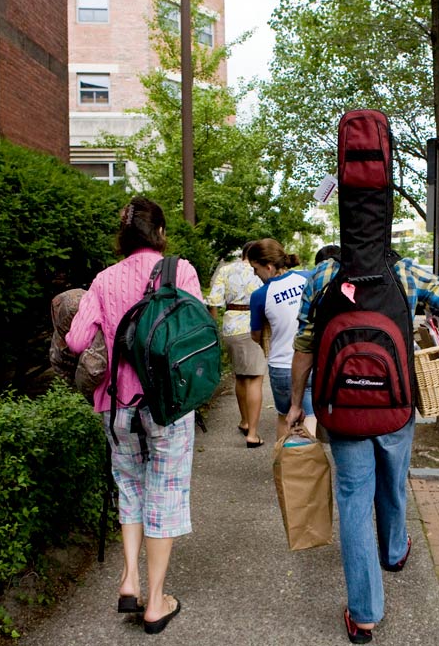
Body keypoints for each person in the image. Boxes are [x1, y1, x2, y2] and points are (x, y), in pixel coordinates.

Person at [286, 259, 439, 644]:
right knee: (393, 484)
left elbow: (305, 345)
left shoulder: (322, 276)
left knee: (355, 503)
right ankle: (393, 552)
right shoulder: (410, 273)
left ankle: (365, 614)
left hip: (343, 412)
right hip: (396, 407)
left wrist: (295, 404)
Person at [66, 196, 202, 635]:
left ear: (122, 237)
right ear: (160, 233)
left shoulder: (103, 279)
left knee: (130, 490)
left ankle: (129, 579)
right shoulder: (180, 271)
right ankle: (156, 602)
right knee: (165, 493)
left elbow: (75, 340)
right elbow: (196, 330)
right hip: (167, 405)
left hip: (116, 405)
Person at [247, 238, 316, 441]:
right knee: (310, 417)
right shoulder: (308, 277)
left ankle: (285, 470)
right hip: (312, 361)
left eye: (255, 268)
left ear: (268, 267)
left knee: (284, 418)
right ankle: (308, 468)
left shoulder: (260, 295)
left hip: (282, 365)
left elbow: (255, 335)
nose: (255, 274)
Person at [207, 241, 269, 447]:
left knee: (241, 377)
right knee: (255, 379)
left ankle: (244, 421)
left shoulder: (225, 270)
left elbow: (214, 302)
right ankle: (252, 433)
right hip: (253, 325)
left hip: (231, 327)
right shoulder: (259, 269)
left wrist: (213, 330)